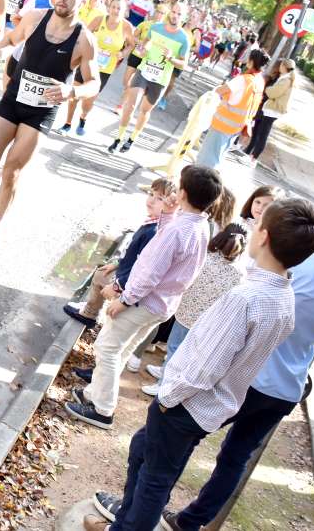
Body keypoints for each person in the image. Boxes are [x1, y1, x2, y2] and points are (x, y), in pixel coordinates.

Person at [84, 198, 314, 531]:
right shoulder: (284, 297)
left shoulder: (246, 299)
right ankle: (122, 522)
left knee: (154, 479)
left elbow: (204, 368)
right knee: (145, 453)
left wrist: (169, 397)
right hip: (210, 407)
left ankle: (127, 525)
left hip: (185, 404)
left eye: (258, 226)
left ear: (264, 236)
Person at [159, 184, 314, 531]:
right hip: (287, 387)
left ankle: (146, 505)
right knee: (235, 458)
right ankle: (190, 521)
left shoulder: (297, 267)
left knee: (179, 437)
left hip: (252, 378)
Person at [64, 165, 221, 431]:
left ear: (182, 192)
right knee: (121, 348)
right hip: (163, 303)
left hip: (144, 300)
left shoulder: (178, 231)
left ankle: (102, 408)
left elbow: (150, 271)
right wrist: (170, 213)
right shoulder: (200, 225)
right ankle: (95, 394)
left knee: (108, 347)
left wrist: (124, 299)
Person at [0, 0, 100, 252]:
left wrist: (72, 92)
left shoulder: (84, 40)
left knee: (12, 172)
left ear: (83, 1)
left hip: (41, 112)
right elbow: (8, 40)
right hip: (14, 98)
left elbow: (94, 83)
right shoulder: (34, 18)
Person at [139, 222, 248, 397]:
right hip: (208, 322)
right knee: (186, 353)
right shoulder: (239, 274)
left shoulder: (205, 258)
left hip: (186, 313)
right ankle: (166, 373)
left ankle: (163, 385)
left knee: (175, 348)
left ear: (220, 238)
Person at [64, 178, 177, 332]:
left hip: (129, 282)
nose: (151, 200)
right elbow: (133, 253)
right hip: (126, 272)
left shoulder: (154, 231)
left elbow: (142, 264)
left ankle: (89, 314)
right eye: (151, 194)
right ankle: (92, 309)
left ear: (171, 205)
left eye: (159, 198)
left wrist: (119, 286)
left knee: (100, 277)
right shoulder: (152, 223)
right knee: (102, 272)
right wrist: (117, 263)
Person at [109, 0, 192, 154]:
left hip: (160, 79)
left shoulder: (183, 39)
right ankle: (118, 138)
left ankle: (132, 138)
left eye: (179, 14)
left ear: (184, 17)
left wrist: (171, 58)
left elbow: (184, 64)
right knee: (130, 105)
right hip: (144, 71)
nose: (175, 16)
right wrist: (142, 49)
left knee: (144, 111)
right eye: (174, 11)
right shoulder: (155, 28)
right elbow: (143, 45)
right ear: (170, 12)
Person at [62, 0, 132, 135]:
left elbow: (131, 45)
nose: (115, 10)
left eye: (119, 8)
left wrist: (123, 53)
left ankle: (83, 117)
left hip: (105, 69)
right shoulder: (99, 20)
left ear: (123, 11)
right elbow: (84, 34)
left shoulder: (126, 27)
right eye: (113, 7)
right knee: (74, 93)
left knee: (88, 100)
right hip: (87, 62)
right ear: (109, 7)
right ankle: (67, 124)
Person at [196, 48, 269, 168]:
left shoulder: (243, 80)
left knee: (207, 159)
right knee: (217, 156)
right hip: (238, 126)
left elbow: (220, 91)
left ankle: (198, 183)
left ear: (251, 62)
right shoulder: (259, 82)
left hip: (223, 124)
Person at [244, 58, 296, 161]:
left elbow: (273, 92)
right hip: (271, 109)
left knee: (263, 134)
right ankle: (253, 156)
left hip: (273, 110)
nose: (280, 67)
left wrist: (267, 89)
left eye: (281, 65)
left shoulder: (286, 80)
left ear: (284, 67)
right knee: (261, 133)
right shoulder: (285, 78)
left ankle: (254, 157)